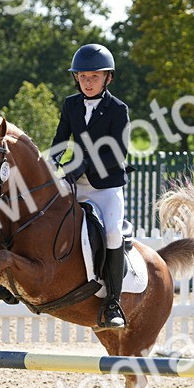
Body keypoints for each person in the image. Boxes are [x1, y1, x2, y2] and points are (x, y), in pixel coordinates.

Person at [50, 42, 130, 329]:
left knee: (111, 234)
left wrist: (84, 164)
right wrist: (53, 159)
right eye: (82, 76)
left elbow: (118, 152)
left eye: (94, 76)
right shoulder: (71, 104)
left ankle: (113, 302)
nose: (87, 82)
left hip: (106, 187)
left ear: (108, 77)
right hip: (75, 182)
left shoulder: (118, 109)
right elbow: (61, 138)